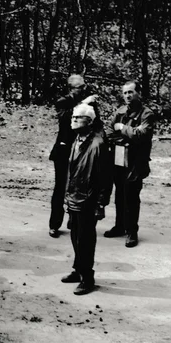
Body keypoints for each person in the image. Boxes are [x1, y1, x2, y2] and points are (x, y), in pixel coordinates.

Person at [60, 104, 111, 295]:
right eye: (73, 117)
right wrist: (66, 195)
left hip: (88, 200)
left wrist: (100, 204)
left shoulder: (98, 144)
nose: (73, 120)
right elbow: (71, 171)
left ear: (89, 121)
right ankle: (78, 269)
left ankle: (88, 277)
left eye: (77, 117)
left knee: (85, 239)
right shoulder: (77, 140)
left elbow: (106, 178)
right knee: (74, 235)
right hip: (74, 196)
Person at [104, 81, 155, 248]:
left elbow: (142, 135)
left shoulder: (147, 114)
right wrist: (128, 136)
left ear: (138, 93)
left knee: (132, 196)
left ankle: (132, 231)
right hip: (119, 158)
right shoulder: (120, 111)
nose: (127, 96)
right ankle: (120, 226)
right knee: (119, 194)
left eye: (131, 92)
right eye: (125, 93)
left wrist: (122, 128)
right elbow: (109, 133)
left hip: (136, 161)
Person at [48, 74, 99, 238]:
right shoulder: (63, 101)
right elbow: (65, 119)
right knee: (60, 187)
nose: (84, 89)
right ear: (71, 88)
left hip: (82, 150)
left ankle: (73, 219)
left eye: (84, 86)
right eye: (80, 87)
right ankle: (54, 224)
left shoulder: (90, 102)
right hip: (63, 151)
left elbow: (96, 123)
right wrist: (84, 104)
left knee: (78, 186)